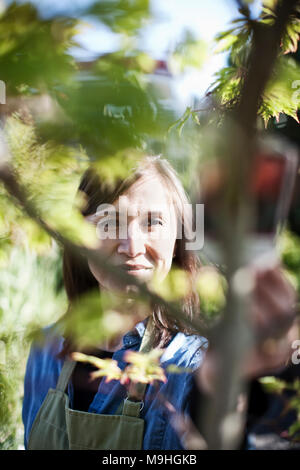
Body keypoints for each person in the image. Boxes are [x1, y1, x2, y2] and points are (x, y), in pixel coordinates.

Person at [22, 155, 298, 450]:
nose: (132, 245)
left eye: (153, 222)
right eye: (111, 221)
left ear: (178, 238)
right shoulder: (47, 348)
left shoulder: (194, 368)